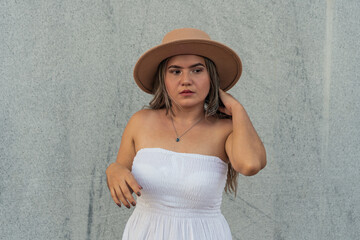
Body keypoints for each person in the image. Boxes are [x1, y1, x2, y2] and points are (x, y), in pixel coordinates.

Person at [105, 28, 266, 239]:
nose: (186, 80)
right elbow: (121, 170)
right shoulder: (140, 121)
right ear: (164, 78)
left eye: (197, 70)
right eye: (175, 71)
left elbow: (250, 164)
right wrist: (112, 169)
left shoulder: (226, 130)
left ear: (212, 78)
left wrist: (237, 109)